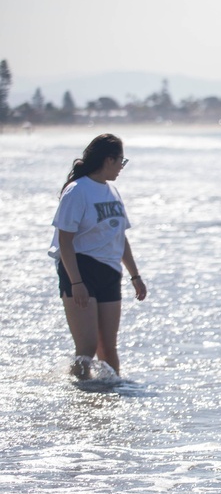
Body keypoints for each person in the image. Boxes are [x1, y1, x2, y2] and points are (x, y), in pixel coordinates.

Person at [49, 133, 147, 379]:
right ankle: (80, 395)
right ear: (108, 159)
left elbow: (120, 237)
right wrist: (76, 283)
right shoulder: (77, 191)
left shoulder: (112, 191)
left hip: (110, 271)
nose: (121, 168)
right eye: (121, 162)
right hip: (80, 268)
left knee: (108, 348)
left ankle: (111, 398)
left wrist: (135, 275)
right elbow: (65, 240)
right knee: (87, 347)